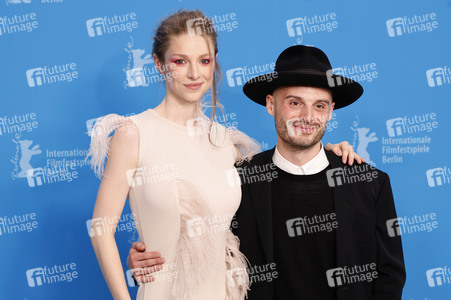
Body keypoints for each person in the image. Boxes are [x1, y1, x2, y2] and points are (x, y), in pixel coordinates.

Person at [88, 10, 363, 300]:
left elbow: (283, 177)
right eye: (180, 61)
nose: (195, 73)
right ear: (158, 64)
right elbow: (100, 228)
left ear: (214, 63)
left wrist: (326, 152)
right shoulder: (134, 134)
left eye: (204, 61)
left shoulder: (227, 143)